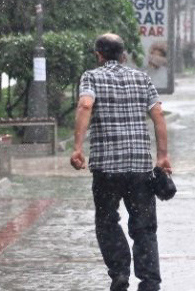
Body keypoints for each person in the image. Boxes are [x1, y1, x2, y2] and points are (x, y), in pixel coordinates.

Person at [70, 33, 172, 291]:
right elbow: (158, 115)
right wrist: (162, 156)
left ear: (98, 55)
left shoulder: (92, 76)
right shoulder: (141, 78)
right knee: (144, 227)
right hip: (140, 167)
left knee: (107, 221)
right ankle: (149, 282)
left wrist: (78, 148)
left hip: (107, 168)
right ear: (124, 55)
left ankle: (120, 273)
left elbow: (84, 105)